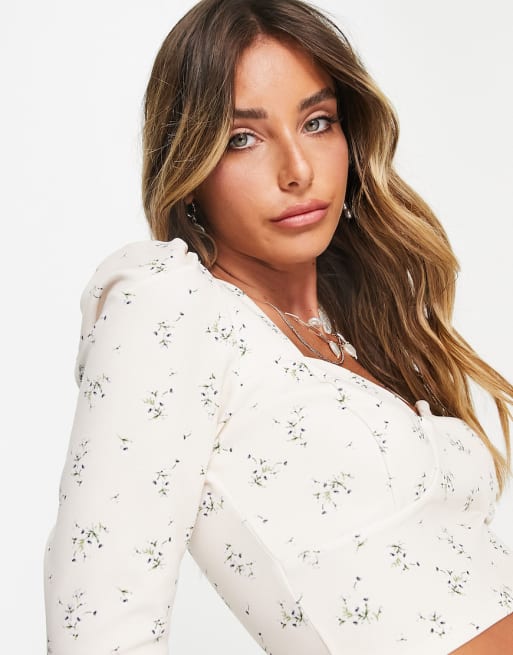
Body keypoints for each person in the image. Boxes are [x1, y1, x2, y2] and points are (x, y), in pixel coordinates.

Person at [43, 0, 513, 653]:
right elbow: (98, 627)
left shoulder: (353, 331)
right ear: (189, 167)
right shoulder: (169, 303)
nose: (298, 170)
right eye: (243, 137)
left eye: (317, 122)